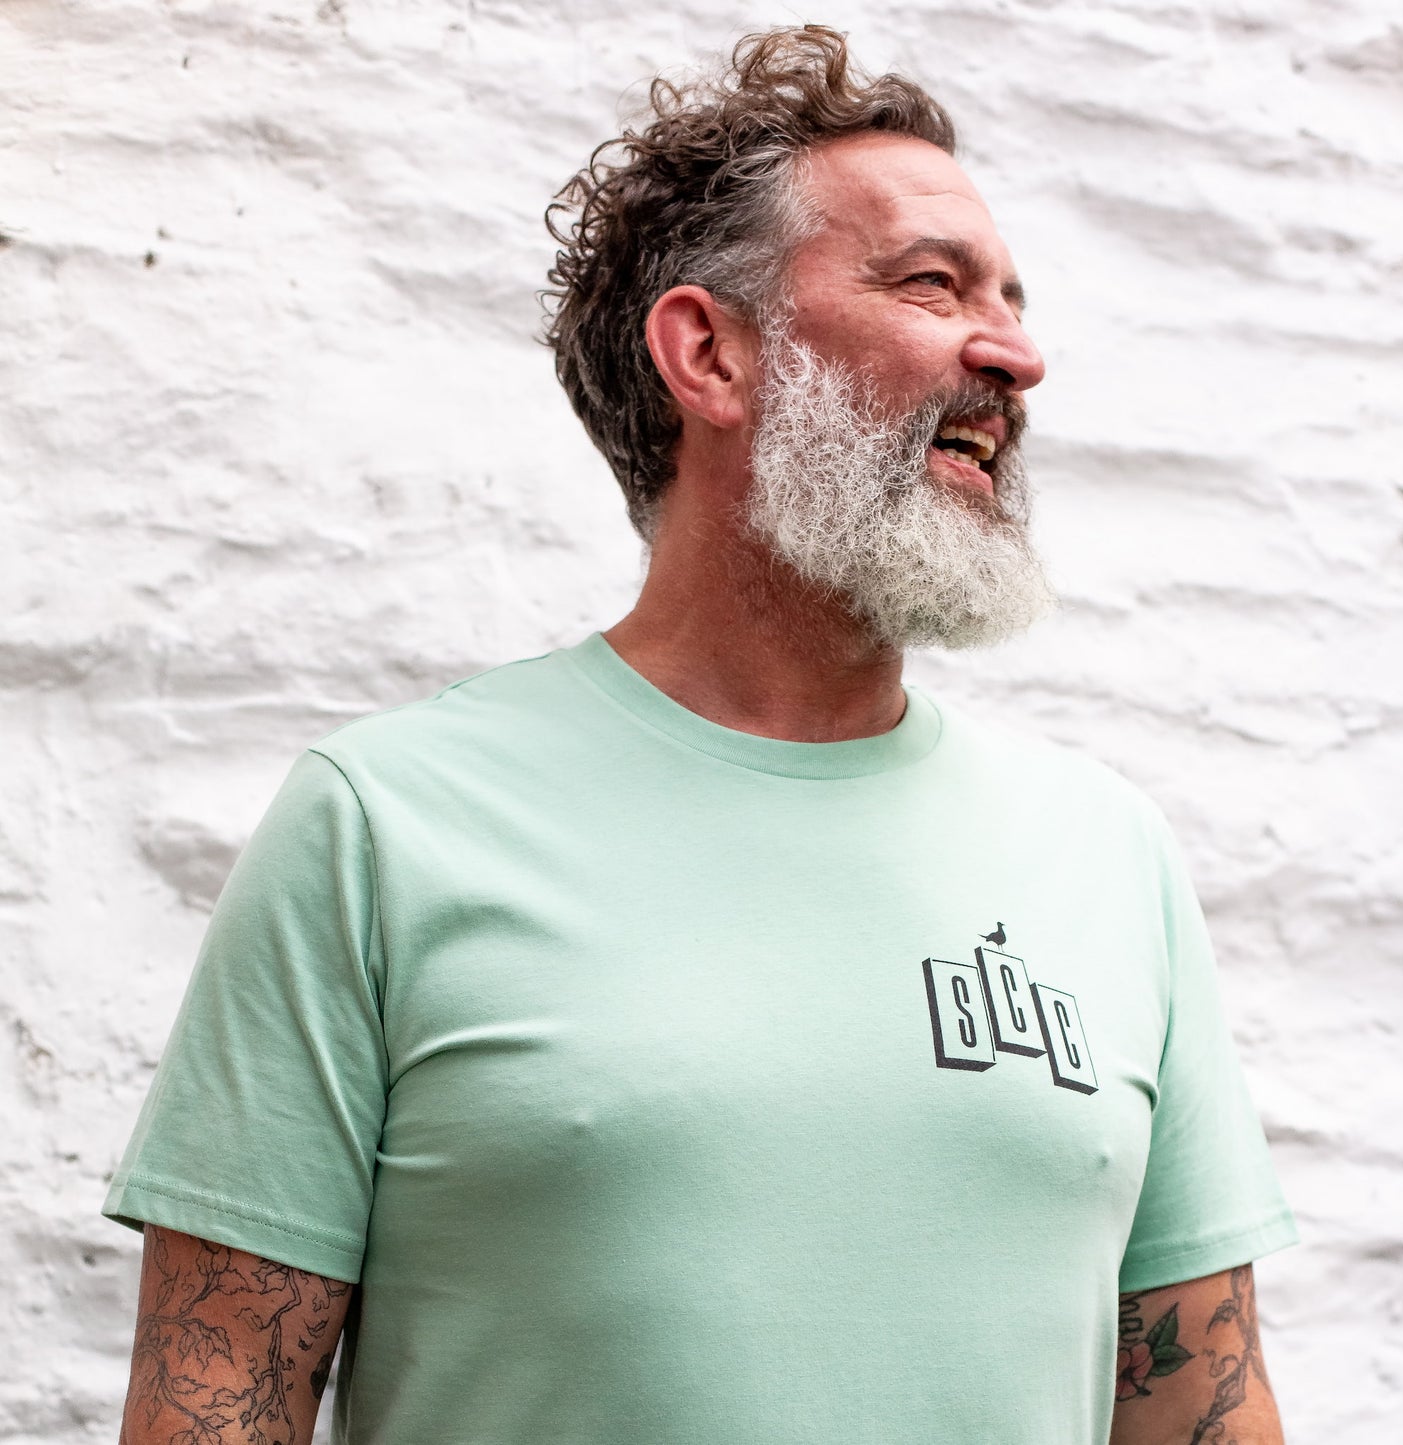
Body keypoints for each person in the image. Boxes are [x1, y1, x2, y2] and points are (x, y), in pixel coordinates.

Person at [108, 26, 1297, 1445]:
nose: (1016, 355)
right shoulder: (385, 823)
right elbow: (212, 1406)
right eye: (932, 284)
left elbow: (1199, 1408)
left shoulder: (1105, 852)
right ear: (709, 351)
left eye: (1015, 302)